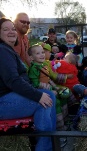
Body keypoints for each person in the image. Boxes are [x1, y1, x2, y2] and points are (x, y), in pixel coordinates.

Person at [0, 18, 56, 151]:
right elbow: (13, 81)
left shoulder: (8, 50)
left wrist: (37, 91)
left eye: (13, 29)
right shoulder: (2, 51)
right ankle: (46, 145)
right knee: (44, 99)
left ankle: (49, 142)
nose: (11, 32)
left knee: (48, 96)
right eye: (5, 29)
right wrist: (37, 95)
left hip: (9, 97)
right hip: (3, 102)